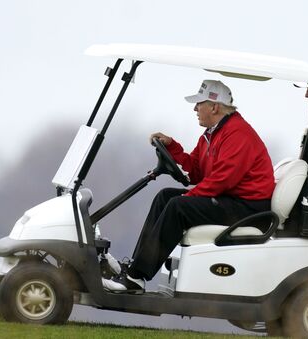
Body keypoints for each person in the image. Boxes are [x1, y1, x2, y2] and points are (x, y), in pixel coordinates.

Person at [102, 80, 275, 293]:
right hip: (231, 200)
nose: (195, 109)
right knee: (166, 196)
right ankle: (133, 269)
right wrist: (171, 146)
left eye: (199, 104)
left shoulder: (238, 134)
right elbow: (195, 171)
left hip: (249, 208)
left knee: (178, 206)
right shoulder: (213, 134)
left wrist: (190, 197)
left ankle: (136, 277)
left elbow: (222, 180)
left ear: (214, 107)